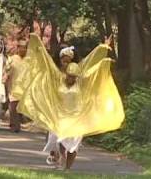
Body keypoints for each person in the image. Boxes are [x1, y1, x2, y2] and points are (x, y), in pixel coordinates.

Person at [14, 33, 125, 170]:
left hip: (78, 116)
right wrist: (37, 44)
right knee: (60, 137)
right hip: (61, 114)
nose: (65, 64)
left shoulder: (80, 77)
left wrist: (103, 48)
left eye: (68, 61)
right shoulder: (57, 77)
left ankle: (67, 169)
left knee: (74, 145)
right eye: (63, 61)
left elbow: (91, 62)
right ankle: (61, 158)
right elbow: (46, 62)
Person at [3, 39, 28, 133]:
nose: (23, 50)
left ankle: (19, 124)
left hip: (25, 88)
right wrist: (5, 78)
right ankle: (14, 126)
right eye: (21, 48)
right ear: (18, 48)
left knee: (21, 108)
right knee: (13, 107)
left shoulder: (29, 60)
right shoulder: (12, 59)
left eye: (25, 48)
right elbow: (6, 71)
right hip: (14, 86)